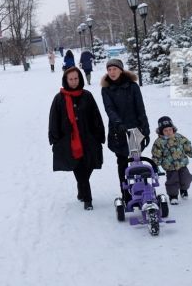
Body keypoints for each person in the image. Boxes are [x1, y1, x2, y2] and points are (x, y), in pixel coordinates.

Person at [48, 67, 106, 210]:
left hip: (88, 139)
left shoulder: (87, 95)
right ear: (66, 80)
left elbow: (96, 116)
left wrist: (99, 134)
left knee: (89, 166)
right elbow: (54, 119)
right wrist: (55, 138)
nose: (74, 82)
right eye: (71, 79)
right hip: (70, 141)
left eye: (76, 78)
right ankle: (88, 199)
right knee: (79, 167)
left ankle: (81, 189)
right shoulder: (59, 98)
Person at [101, 58, 150, 203]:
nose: (112, 72)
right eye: (109, 70)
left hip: (135, 128)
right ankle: (126, 193)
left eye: (114, 69)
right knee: (122, 161)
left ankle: (142, 190)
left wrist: (145, 129)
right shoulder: (106, 89)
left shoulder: (133, 86)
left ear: (121, 70)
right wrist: (118, 123)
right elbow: (109, 108)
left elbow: (140, 108)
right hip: (118, 130)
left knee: (137, 160)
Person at [151, 116, 192, 205]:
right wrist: (155, 166)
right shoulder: (159, 142)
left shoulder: (179, 137)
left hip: (182, 164)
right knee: (172, 182)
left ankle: (183, 190)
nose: (168, 132)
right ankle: (173, 196)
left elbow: (187, 147)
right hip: (170, 167)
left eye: (170, 129)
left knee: (186, 178)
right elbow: (156, 155)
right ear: (161, 131)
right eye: (165, 130)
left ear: (173, 129)